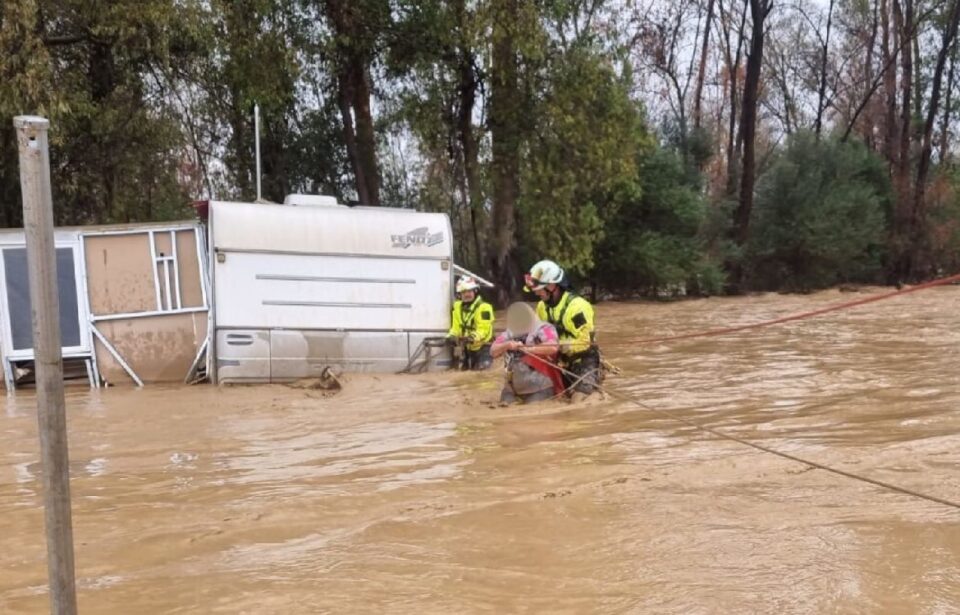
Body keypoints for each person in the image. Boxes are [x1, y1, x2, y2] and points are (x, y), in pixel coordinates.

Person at [524, 259, 601, 399]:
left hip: (584, 360)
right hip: (558, 360)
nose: (536, 293)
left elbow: (585, 342)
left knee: (580, 399)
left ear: (552, 285)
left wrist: (559, 346)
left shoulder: (578, 307)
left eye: (538, 289)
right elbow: (539, 332)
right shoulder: (542, 307)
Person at [490, 302, 564, 404]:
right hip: (512, 388)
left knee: (532, 409)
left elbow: (553, 346)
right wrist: (507, 345)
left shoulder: (545, 328)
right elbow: (493, 351)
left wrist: (528, 349)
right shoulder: (510, 332)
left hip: (540, 387)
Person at [447, 276, 495, 370]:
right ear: (459, 294)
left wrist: (472, 337)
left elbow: (483, 330)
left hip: (483, 348)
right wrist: (451, 336)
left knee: (482, 375)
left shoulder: (484, 308)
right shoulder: (457, 307)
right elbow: (456, 327)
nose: (466, 294)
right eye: (464, 292)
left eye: (469, 291)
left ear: (475, 291)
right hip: (467, 348)